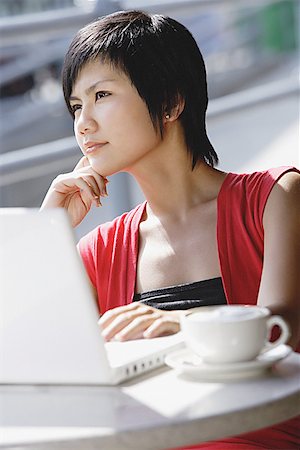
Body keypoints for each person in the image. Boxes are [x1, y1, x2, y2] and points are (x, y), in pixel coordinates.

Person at [41, 10, 300, 449]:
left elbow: (285, 327)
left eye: (101, 94)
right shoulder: (98, 250)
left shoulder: (277, 198)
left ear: (170, 102)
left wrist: (178, 322)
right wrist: (49, 233)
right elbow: (45, 371)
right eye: (76, 106)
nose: (83, 123)